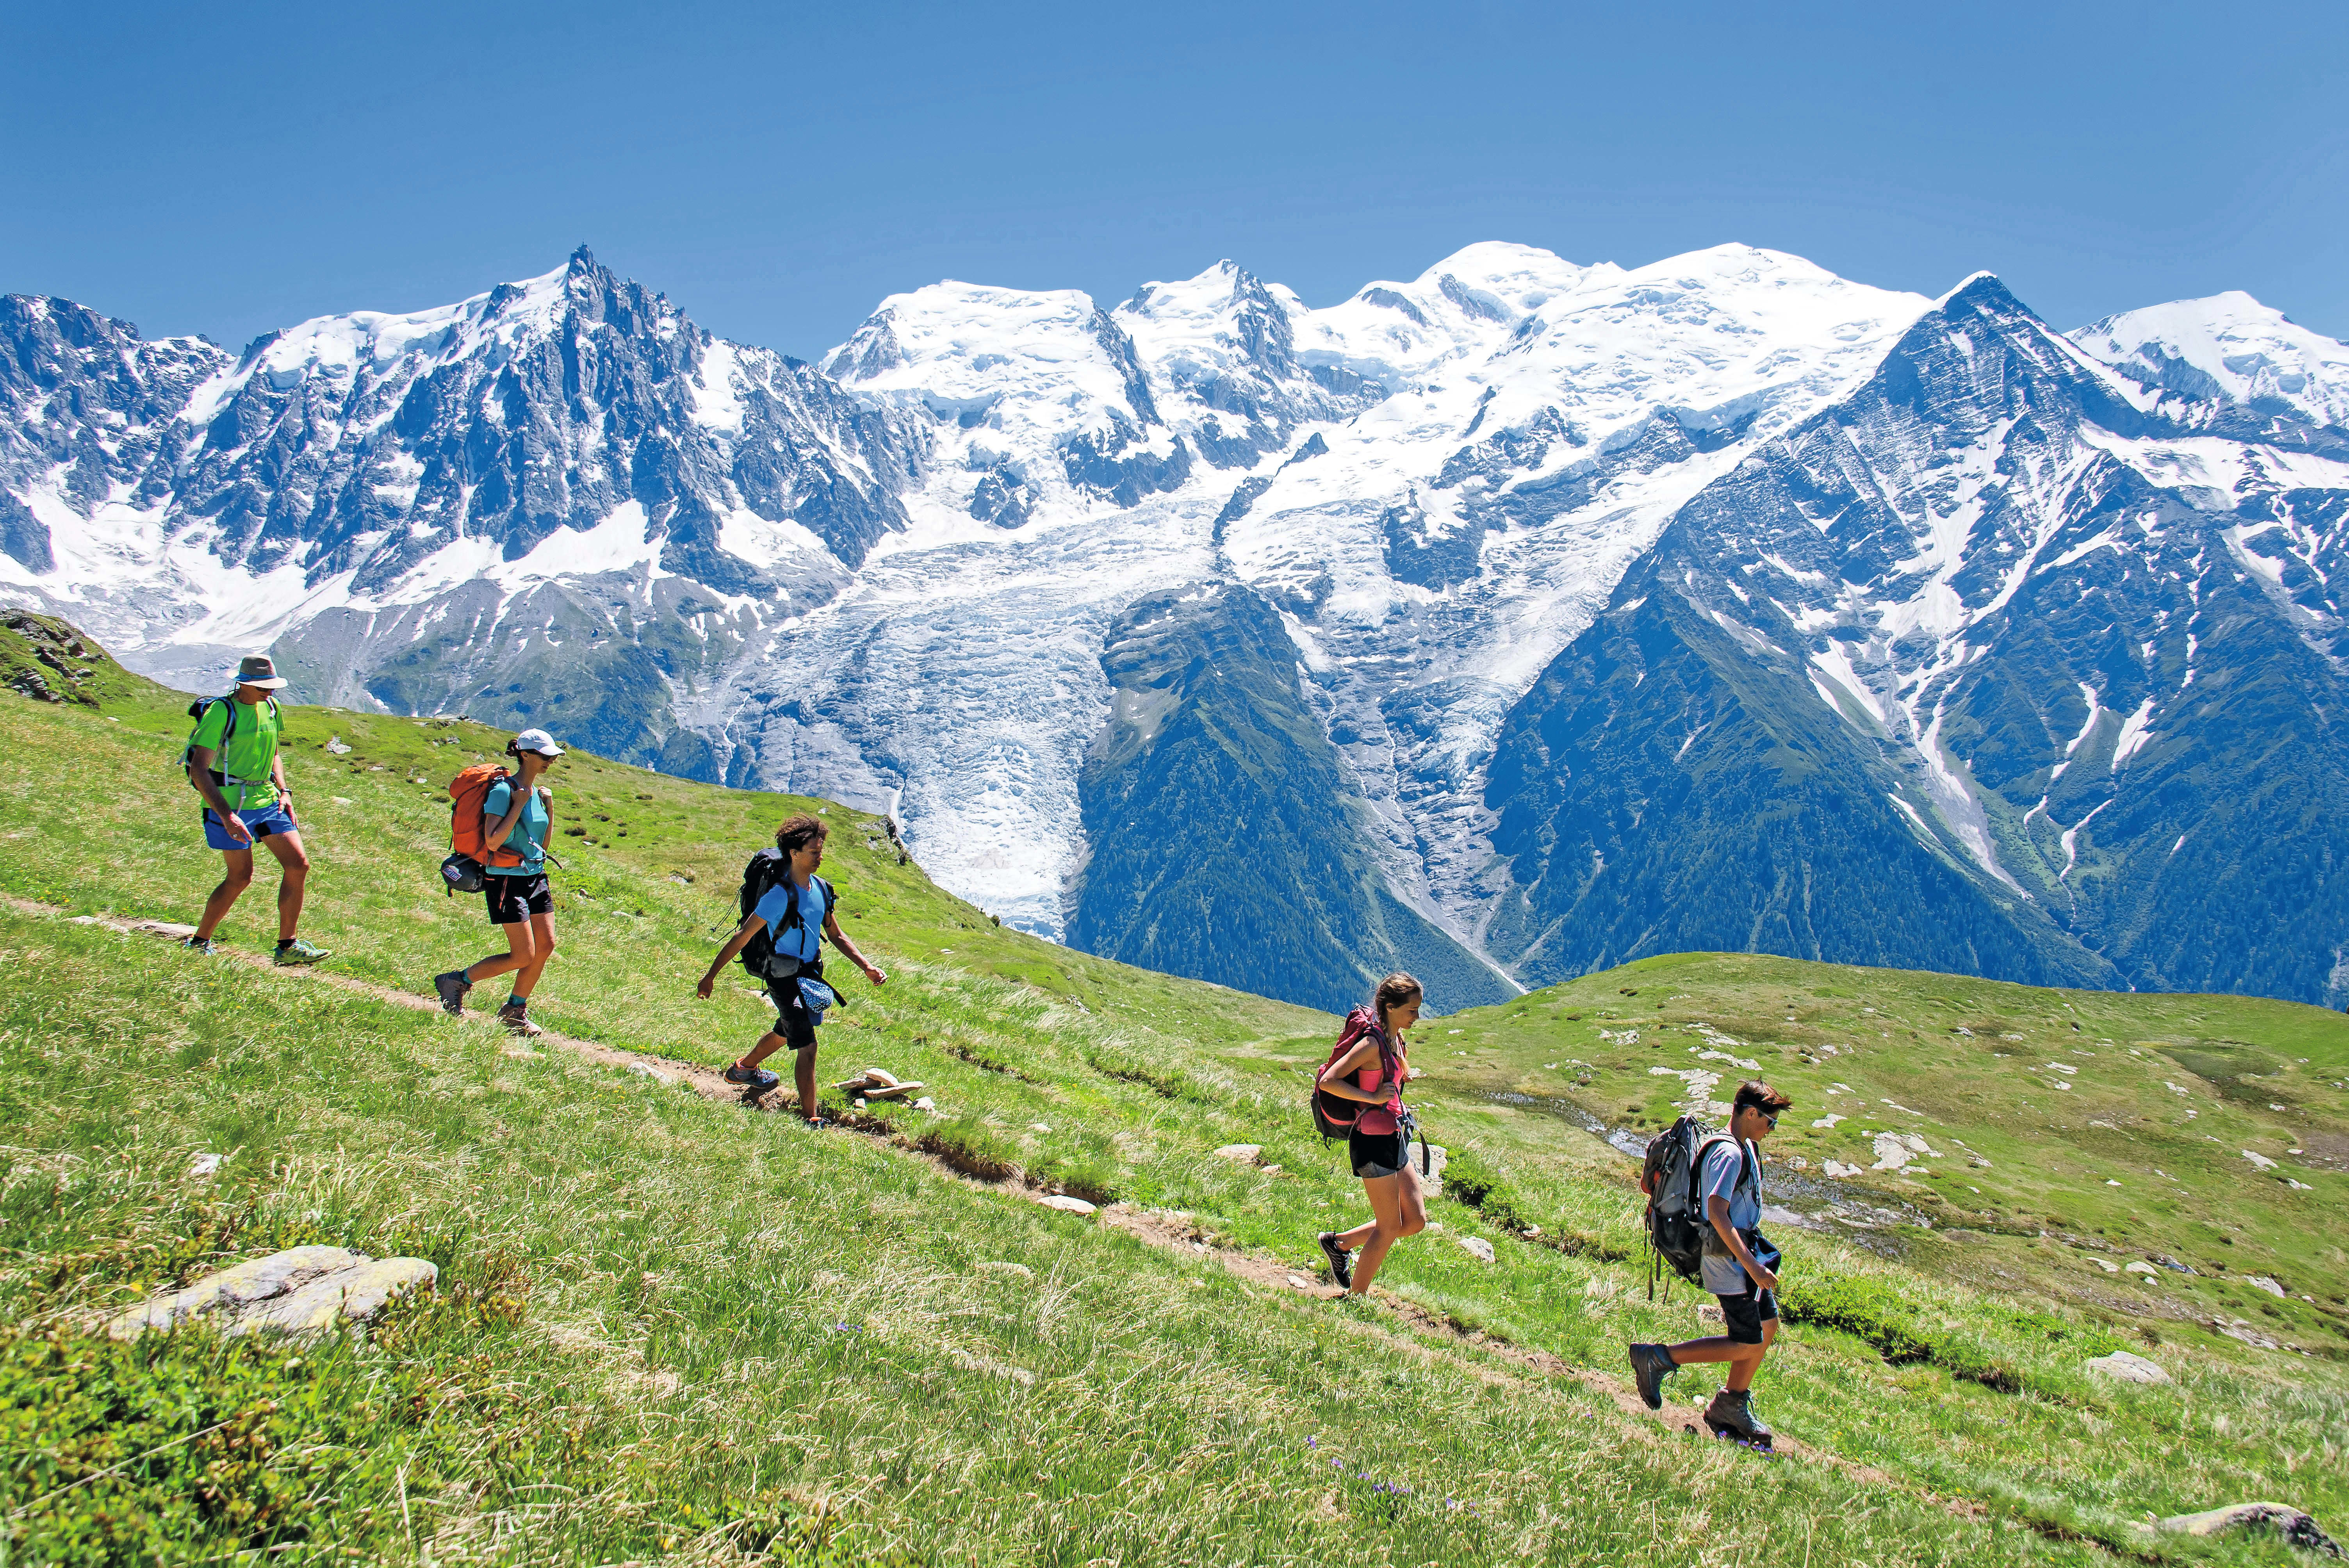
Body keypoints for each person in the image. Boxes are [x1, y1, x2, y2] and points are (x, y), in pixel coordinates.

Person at [1627, 1079, 1797, 1448]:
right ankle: (1658, 1358)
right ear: (1750, 1113)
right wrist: (1752, 1266)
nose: (1772, 1129)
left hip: (1740, 1257)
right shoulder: (1730, 1154)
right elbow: (1718, 1213)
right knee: (1747, 1342)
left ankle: (1731, 1403)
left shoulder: (1745, 1146)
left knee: (1767, 1329)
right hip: (1728, 1262)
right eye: (1771, 1121)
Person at [696, 813, 887, 1123]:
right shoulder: (779, 895)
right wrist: (710, 976)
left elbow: (836, 935)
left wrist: (867, 966)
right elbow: (743, 936)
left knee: (788, 1030)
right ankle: (810, 1119)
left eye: (821, 850)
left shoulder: (822, 889)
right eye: (814, 852)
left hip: (811, 974)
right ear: (794, 854)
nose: (820, 857)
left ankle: (742, 1069)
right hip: (782, 976)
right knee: (808, 1045)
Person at [182, 654, 328, 966]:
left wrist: (285, 791)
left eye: (272, 686)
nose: (270, 692)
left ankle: (287, 946)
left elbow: (273, 750)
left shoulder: (272, 709)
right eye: (263, 687)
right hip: (230, 801)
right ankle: (200, 941)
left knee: (298, 864)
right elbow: (199, 769)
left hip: (267, 798)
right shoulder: (222, 712)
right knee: (240, 877)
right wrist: (227, 816)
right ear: (243, 683)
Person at [433, 730, 565, 1035]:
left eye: (552, 757)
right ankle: (457, 981)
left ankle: (514, 1010)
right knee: (523, 955)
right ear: (525, 755)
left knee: (546, 945)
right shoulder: (504, 792)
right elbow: (493, 842)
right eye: (544, 756)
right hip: (505, 880)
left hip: (535, 876)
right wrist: (519, 803)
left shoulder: (536, 792)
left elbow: (543, 845)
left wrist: (549, 808)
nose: (550, 761)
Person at [1314, 973, 1425, 1296]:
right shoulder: (1371, 1044)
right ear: (1391, 1008)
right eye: (1412, 1011)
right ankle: (1356, 1299)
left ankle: (1339, 1244)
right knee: (1389, 1226)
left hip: (1394, 1137)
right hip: (1372, 1141)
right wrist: (1374, 1098)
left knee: (1415, 1220)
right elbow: (1329, 1082)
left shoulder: (1395, 1040)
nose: (1417, 1017)